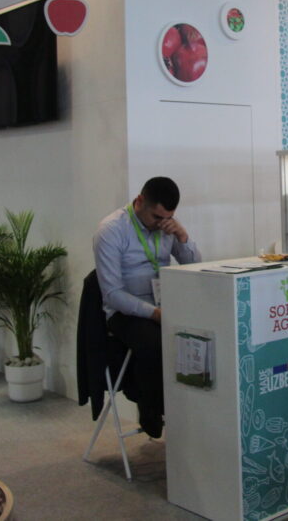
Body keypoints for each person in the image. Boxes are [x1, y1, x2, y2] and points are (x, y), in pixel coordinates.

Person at [93, 177, 201, 437]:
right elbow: (113, 294)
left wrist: (182, 236)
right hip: (126, 310)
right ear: (140, 202)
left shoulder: (167, 226)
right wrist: (154, 313)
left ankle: (195, 406)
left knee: (204, 330)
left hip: (164, 304)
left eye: (168, 217)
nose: (160, 223)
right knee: (154, 341)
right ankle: (152, 409)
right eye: (156, 217)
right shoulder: (111, 230)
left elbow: (195, 267)